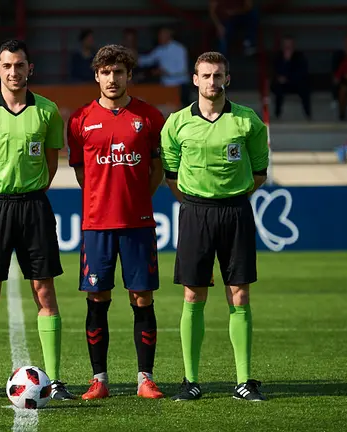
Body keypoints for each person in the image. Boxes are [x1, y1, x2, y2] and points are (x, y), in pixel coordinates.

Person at [0, 39, 74, 401]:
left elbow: (52, 164)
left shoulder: (48, 112)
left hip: (34, 207)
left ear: (29, 69)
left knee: (44, 290)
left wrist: (28, 191)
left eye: (19, 65)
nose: (13, 72)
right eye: (7, 66)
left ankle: (52, 381)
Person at [160, 51, 269, 402]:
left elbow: (259, 172)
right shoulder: (176, 123)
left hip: (236, 212)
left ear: (227, 79)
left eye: (218, 75)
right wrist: (196, 202)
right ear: (194, 79)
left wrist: (230, 197)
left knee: (239, 294)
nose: (212, 82)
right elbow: (171, 175)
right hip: (195, 213)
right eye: (206, 76)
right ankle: (190, 380)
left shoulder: (248, 121)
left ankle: (244, 381)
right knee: (193, 295)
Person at [66, 44, 166, 400]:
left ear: (129, 76)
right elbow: (81, 172)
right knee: (98, 298)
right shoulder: (79, 120)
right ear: (96, 76)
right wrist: (102, 198)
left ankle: (145, 379)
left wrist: (137, 197)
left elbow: (156, 169)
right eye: (106, 72)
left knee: (142, 298)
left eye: (118, 72)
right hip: (97, 225)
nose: (112, 78)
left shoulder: (150, 117)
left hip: (138, 224)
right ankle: (100, 380)